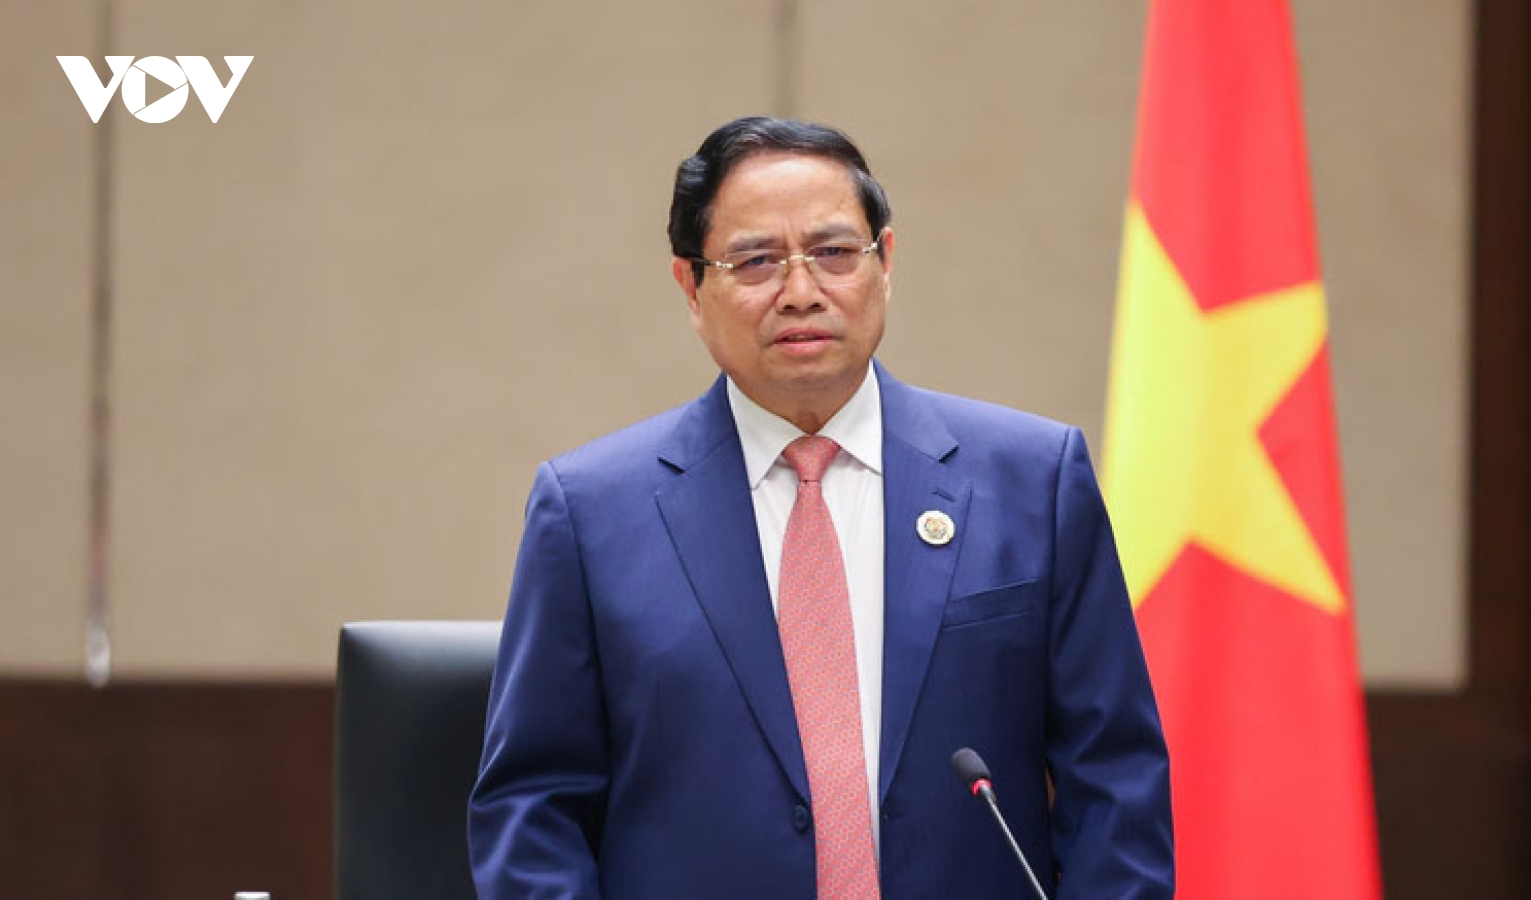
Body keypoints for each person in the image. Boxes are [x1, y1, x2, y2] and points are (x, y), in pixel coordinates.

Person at [469, 116, 1173, 899]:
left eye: (835, 253)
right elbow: (532, 811)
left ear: (886, 262)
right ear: (691, 287)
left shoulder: (1034, 482)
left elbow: (1115, 780)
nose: (801, 293)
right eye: (755, 261)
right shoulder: (590, 515)